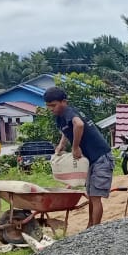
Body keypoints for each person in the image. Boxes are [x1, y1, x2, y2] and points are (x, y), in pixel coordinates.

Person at [44, 86, 113, 228]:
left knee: (95, 197)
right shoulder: (60, 117)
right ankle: (90, 227)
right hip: (91, 160)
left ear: (64, 102)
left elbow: (79, 125)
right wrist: (61, 145)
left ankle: (95, 230)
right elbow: (66, 131)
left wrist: (75, 147)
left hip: (101, 157)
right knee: (91, 194)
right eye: (48, 106)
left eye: (53, 105)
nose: (51, 109)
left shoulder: (69, 111)